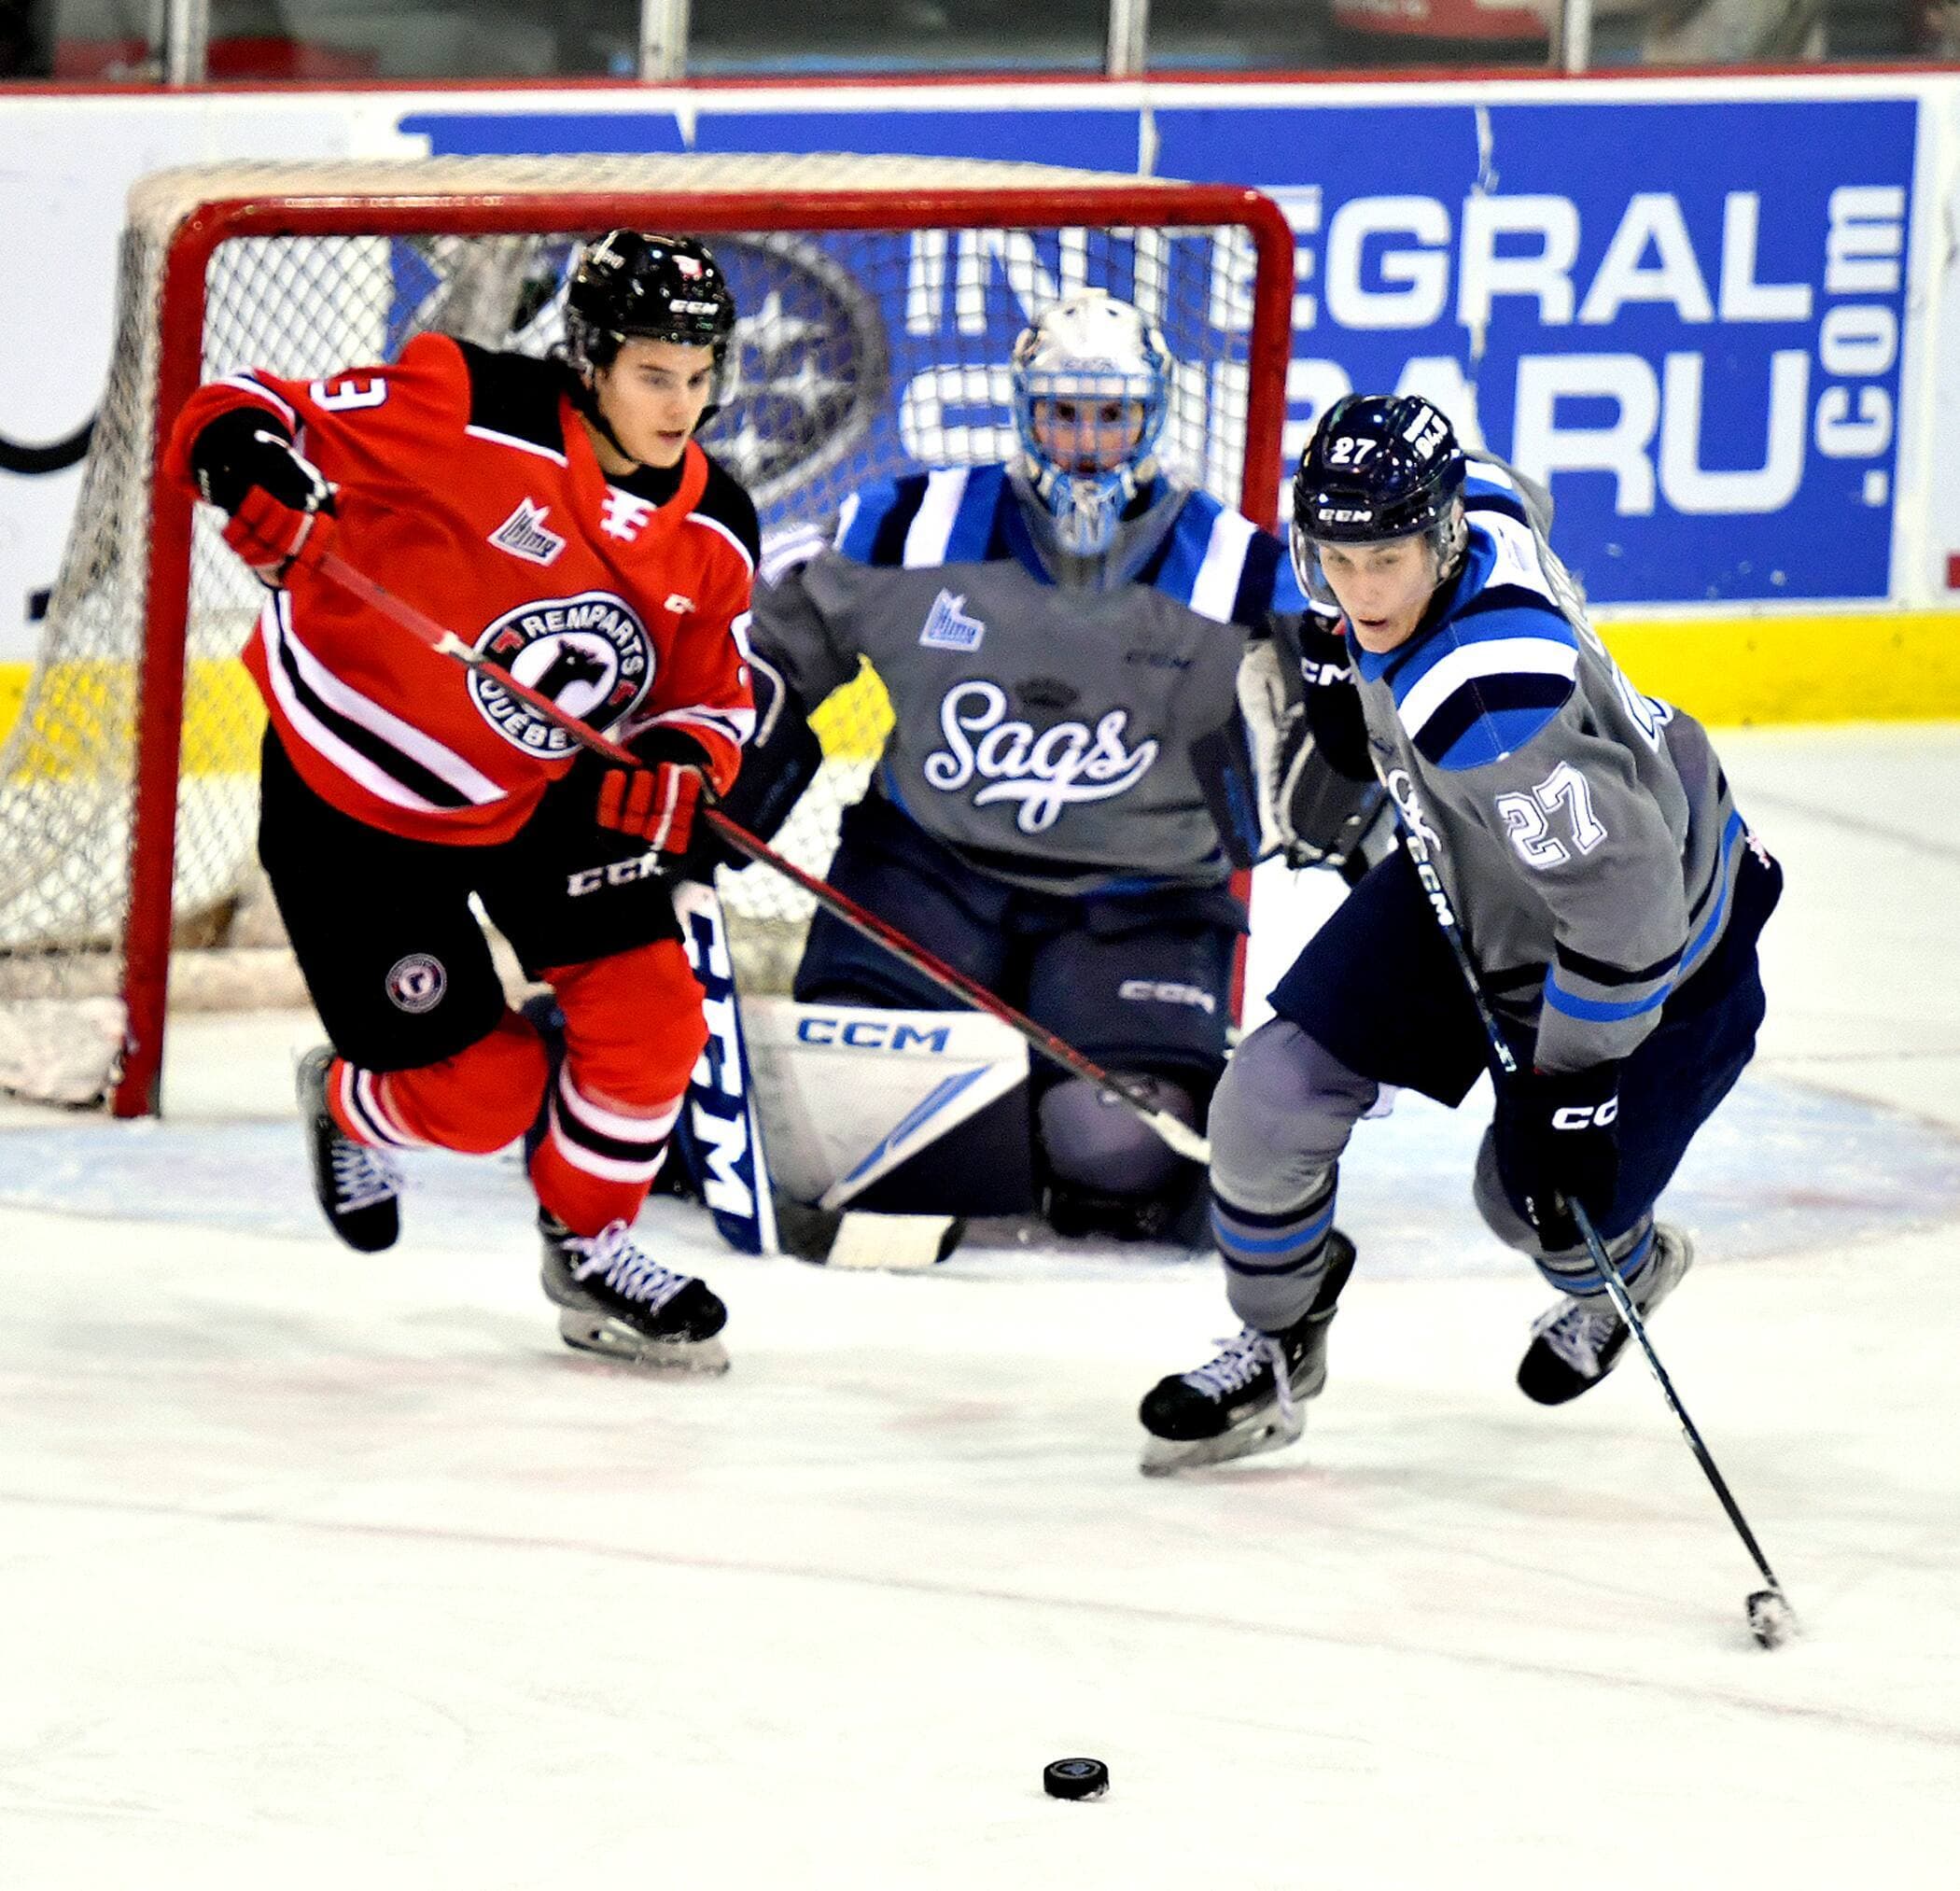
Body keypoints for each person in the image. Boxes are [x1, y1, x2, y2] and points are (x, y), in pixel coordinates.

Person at [1139, 393, 1783, 1472]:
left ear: (1437, 537)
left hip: (1667, 952)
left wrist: (1566, 1087)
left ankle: (1621, 1271)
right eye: (1335, 559)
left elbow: (1626, 919)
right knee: (1269, 1096)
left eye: (1386, 558)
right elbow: (1513, 490)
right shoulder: (1471, 497)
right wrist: (1348, 666)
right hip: (1477, 869)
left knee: (1532, 1201)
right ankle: (1278, 1341)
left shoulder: (1488, 703)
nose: (1360, 589)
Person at [166, 231, 760, 1372]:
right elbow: (241, 404)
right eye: (653, 372)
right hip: (359, 795)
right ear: (589, 360)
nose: (682, 402)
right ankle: (350, 1104)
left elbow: (709, 698)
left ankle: (589, 1248)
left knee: (654, 1022)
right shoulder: (465, 403)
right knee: (489, 1095)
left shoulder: (717, 528)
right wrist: (250, 463)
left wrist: (680, 766)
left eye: (699, 373)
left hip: (540, 789)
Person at [727, 287, 1375, 1241]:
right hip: (926, 869)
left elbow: (1360, 736)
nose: (1085, 441)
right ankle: (992, 1089)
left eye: (1112, 416)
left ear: (1152, 419)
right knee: (857, 1128)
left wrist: (1355, 797)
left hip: (1143, 898)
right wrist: (723, 753)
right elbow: (774, 646)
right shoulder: (907, 528)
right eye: (1063, 412)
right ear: (1025, 412)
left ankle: (1055, 1084)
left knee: (1111, 1152)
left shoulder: (1244, 575)